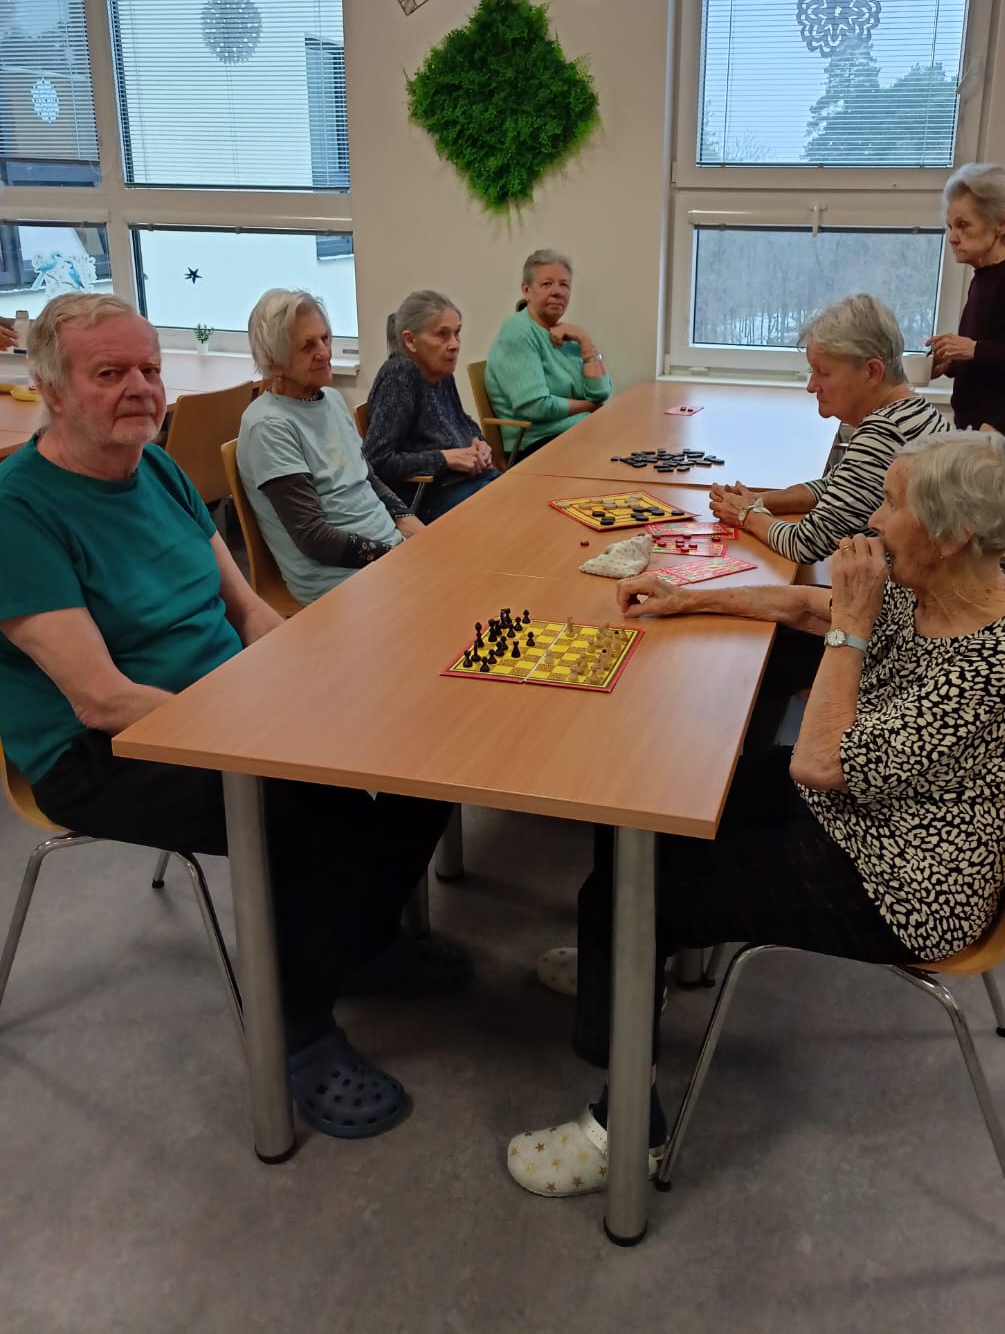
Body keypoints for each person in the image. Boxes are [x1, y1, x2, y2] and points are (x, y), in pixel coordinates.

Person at [507, 430, 1005, 1196]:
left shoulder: (999, 665)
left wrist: (852, 625)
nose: (873, 521)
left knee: (630, 897)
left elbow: (818, 763)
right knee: (648, 802)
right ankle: (630, 973)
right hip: (868, 812)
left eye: (892, 506)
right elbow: (809, 603)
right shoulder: (950, 585)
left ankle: (628, 1130)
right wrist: (689, 598)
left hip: (902, 886)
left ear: (950, 534)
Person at [0, 293, 467, 1142]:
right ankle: (298, 1031)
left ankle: (359, 943)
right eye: (110, 372)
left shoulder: (158, 471)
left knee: (425, 744)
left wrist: (309, 684)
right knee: (300, 808)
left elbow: (250, 611)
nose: (141, 388)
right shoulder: (18, 511)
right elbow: (100, 699)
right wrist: (259, 729)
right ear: (52, 390)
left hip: (227, 701)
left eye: (149, 368)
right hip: (99, 751)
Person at [708, 293, 947, 563]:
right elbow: (833, 486)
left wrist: (746, 515)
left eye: (823, 372)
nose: (811, 386)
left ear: (871, 372)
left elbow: (805, 544)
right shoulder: (914, 411)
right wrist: (759, 500)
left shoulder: (884, 432)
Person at [237, 290, 422, 606]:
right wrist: (394, 556)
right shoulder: (268, 426)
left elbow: (366, 476)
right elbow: (314, 538)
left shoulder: (332, 399)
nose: (325, 352)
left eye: (325, 339)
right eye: (308, 346)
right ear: (273, 362)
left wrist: (408, 522)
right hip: (337, 579)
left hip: (385, 556)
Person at [926, 162, 1005, 455]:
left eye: (963, 225)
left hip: (1004, 437)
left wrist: (972, 349)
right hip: (976, 433)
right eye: (950, 227)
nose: (952, 237)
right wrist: (950, 363)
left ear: (1000, 224)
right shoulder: (982, 278)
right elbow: (992, 352)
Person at [364, 290, 499, 522]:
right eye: (442, 335)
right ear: (410, 341)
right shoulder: (399, 376)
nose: (454, 344)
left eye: (457, 333)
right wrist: (444, 459)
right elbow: (376, 461)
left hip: (467, 482)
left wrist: (479, 443)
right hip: (430, 497)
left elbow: (462, 420)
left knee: (525, 495)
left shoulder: (441, 371)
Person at [484, 249, 611, 459]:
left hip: (576, 433)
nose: (557, 291)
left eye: (564, 284)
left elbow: (601, 393)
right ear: (526, 290)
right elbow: (536, 407)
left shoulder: (566, 334)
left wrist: (585, 340)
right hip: (535, 446)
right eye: (546, 284)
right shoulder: (518, 331)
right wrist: (589, 406)